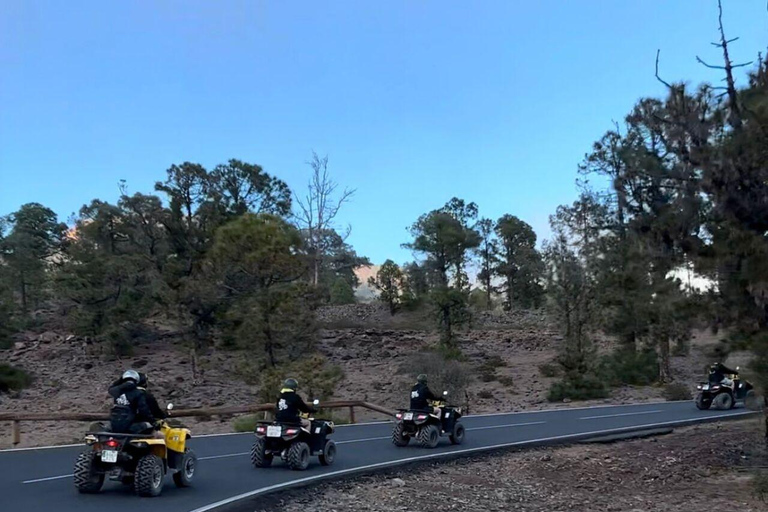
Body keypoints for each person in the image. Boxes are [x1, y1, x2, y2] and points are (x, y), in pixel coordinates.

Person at [108, 369, 155, 434]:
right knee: (150, 426)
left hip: (114, 427)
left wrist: (121, 380)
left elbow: (111, 387)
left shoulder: (116, 391)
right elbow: (144, 410)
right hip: (130, 427)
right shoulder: (138, 393)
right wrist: (153, 421)